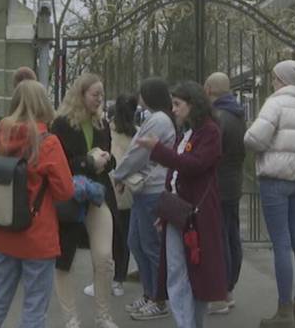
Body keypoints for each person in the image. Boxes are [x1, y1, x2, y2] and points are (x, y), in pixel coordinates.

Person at [0, 80, 75, 328]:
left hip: (2, 229)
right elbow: (65, 191)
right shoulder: (47, 141)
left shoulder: (1, 131)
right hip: (37, 234)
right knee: (34, 308)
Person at [136, 81, 226, 328]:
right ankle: (185, 324)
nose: (173, 109)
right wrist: (165, 211)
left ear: (193, 104)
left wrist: (157, 149)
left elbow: (193, 165)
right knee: (176, 272)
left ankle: (192, 323)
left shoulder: (210, 132)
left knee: (197, 276)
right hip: (178, 214)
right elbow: (174, 177)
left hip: (198, 215)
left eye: (177, 104)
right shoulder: (187, 132)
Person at [244, 61, 295, 328]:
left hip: (275, 180)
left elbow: (254, 138)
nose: (272, 81)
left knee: (281, 243)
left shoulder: (275, 104)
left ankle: (284, 311)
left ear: (280, 79)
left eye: (274, 77)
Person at [51, 73, 119, 328]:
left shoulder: (102, 123)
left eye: (102, 94)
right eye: (95, 95)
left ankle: (103, 316)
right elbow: (57, 164)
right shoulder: (60, 124)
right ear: (81, 95)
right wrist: (87, 162)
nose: (100, 99)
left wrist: (106, 160)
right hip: (70, 198)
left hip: (97, 197)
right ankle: (71, 319)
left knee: (103, 257)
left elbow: (110, 159)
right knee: (64, 260)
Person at [111, 78, 175, 321]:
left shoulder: (158, 120)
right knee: (136, 242)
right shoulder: (157, 118)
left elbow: (138, 152)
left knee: (148, 245)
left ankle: (159, 299)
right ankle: (150, 294)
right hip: (145, 190)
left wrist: (119, 174)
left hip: (153, 189)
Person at [205, 72, 246, 316]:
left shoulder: (218, 118)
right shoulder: (238, 114)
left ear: (209, 89)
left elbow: (212, 153)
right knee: (231, 236)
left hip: (218, 184)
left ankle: (221, 292)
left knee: (219, 239)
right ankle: (228, 288)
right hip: (234, 182)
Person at [97, 95, 138, 299]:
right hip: (128, 190)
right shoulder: (137, 134)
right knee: (124, 238)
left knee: (104, 236)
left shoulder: (107, 130)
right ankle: (118, 279)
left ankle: (104, 277)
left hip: (109, 188)